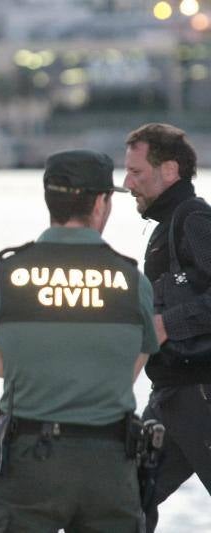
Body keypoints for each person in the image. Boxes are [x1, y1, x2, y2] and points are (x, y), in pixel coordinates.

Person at [0, 150, 159, 532]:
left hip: (28, 461)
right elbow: (127, 369)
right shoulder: (131, 282)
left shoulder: (3, 275)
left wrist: (47, 364)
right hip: (108, 465)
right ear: (100, 204)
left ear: (48, 200)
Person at [123, 123, 211, 532]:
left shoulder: (193, 219)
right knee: (126, 499)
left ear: (170, 170)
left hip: (200, 395)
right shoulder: (166, 226)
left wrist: (164, 324)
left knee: (128, 498)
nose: (127, 184)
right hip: (171, 396)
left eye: (137, 173)